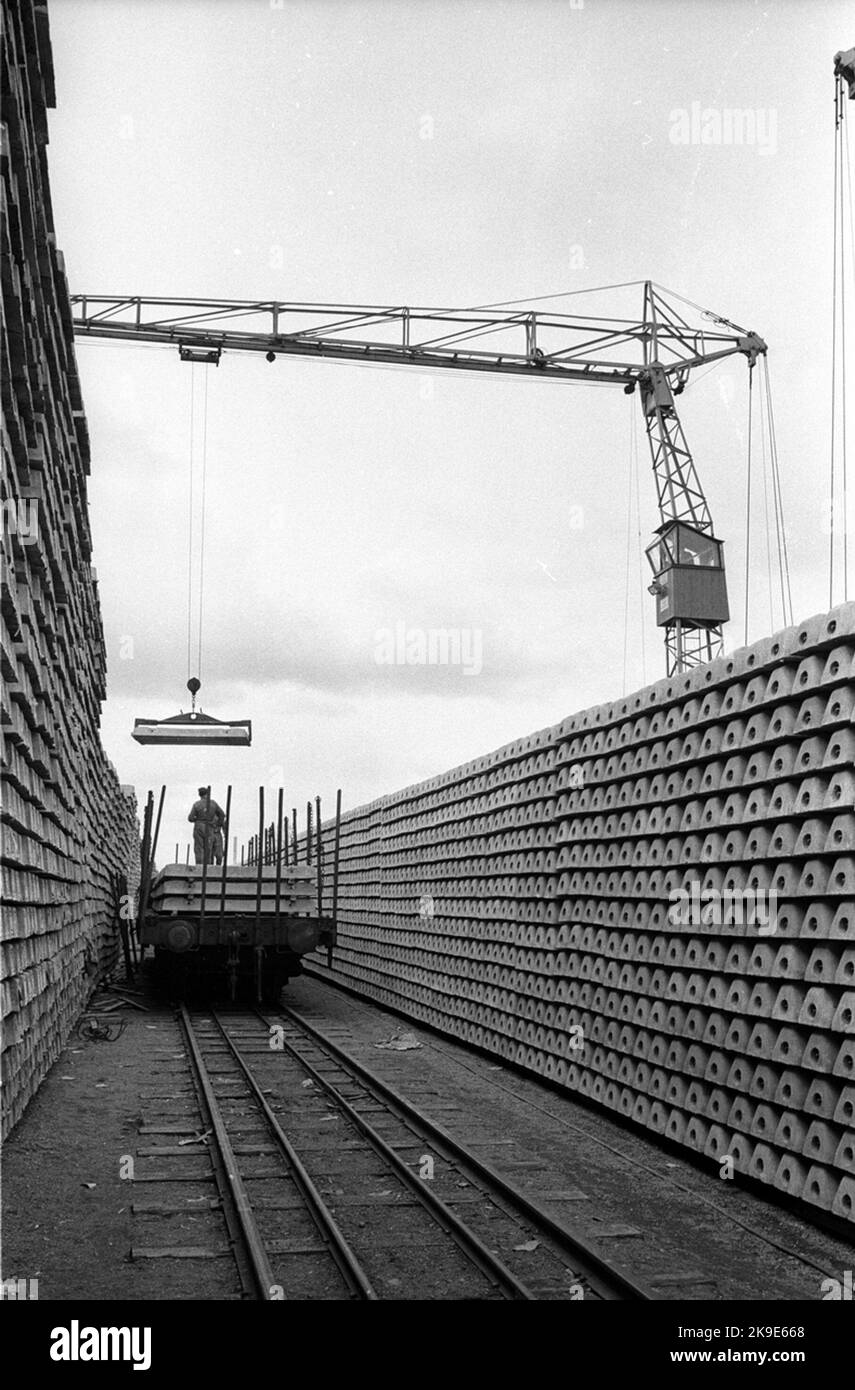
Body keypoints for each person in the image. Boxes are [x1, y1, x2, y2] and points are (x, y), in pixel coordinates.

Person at [188, 786, 225, 866]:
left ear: (200, 795)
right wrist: (217, 824)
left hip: (199, 827)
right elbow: (222, 814)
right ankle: (208, 869)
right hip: (210, 827)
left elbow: (190, 818)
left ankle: (199, 867)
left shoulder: (197, 804)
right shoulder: (213, 803)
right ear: (207, 794)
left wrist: (197, 819)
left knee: (199, 848)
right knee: (208, 849)